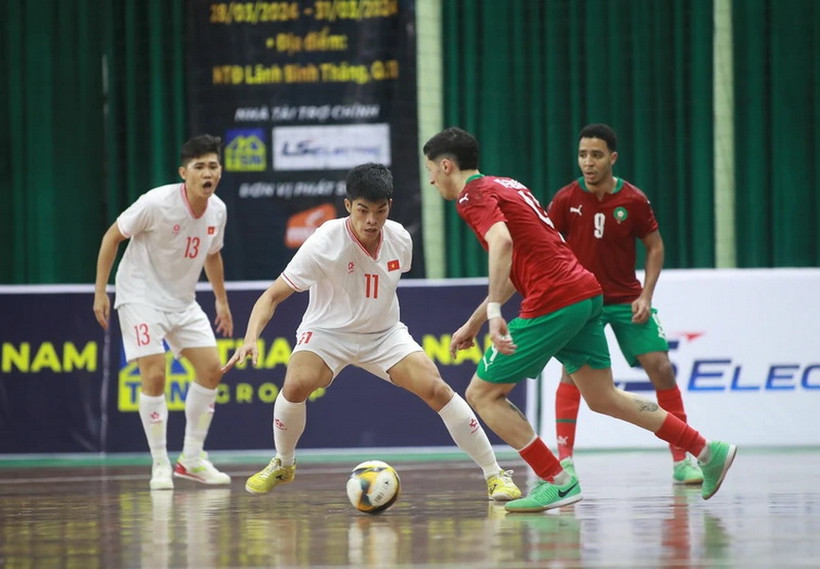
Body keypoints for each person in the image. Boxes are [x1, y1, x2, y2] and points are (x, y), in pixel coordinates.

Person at [422, 127, 736, 513]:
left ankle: (558, 480)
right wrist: (474, 323)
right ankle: (706, 450)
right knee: (605, 398)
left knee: (481, 394)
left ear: (446, 165)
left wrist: (493, 315)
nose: (432, 179)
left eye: (431, 170)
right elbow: (520, 263)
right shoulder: (506, 185)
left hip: (554, 298)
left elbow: (501, 243)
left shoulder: (472, 196)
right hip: (584, 291)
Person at [221, 162, 521, 501]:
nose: (371, 221)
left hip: (384, 335)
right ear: (348, 205)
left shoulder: (400, 239)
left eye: (380, 211)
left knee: (436, 388)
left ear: (389, 207)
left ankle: (496, 474)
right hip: (327, 334)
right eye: (362, 210)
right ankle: (283, 463)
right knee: (296, 383)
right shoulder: (324, 242)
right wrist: (250, 338)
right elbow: (271, 296)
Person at [547, 123, 703, 484]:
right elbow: (549, 246)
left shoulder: (632, 200)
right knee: (571, 372)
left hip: (625, 299)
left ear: (612, 158)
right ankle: (564, 461)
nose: (588, 162)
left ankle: (683, 460)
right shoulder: (566, 200)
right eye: (583, 154)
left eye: (596, 155)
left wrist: (646, 294)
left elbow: (655, 246)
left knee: (661, 366)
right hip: (583, 302)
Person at [93, 134, 233, 490]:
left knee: (211, 370)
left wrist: (221, 300)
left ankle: (192, 459)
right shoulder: (156, 203)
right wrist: (100, 291)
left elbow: (213, 254)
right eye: (199, 166)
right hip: (139, 296)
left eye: (213, 166)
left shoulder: (218, 210)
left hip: (182, 302)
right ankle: (159, 463)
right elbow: (112, 237)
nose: (207, 173)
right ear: (183, 172)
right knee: (154, 375)